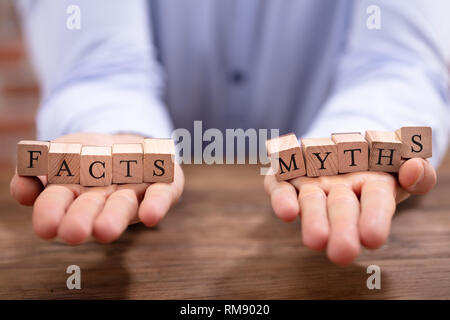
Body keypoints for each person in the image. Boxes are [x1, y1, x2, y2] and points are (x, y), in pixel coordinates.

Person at [10, 0, 448, 265]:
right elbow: (98, 67)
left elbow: (400, 63)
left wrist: (366, 128)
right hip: (164, 237)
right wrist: (113, 127)